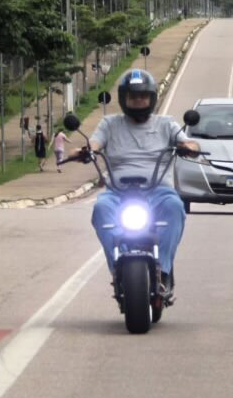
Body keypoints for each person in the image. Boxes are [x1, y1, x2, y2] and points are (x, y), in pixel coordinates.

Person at [70, 69, 199, 292]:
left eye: (143, 96)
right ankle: (117, 267)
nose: (138, 101)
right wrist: (85, 152)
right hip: (118, 192)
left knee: (176, 207)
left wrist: (188, 148)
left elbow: (191, 144)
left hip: (158, 190)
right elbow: (95, 144)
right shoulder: (109, 124)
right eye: (133, 96)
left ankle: (164, 272)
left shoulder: (166, 124)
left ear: (151, 98)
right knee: (100, 208)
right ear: (123, 98)